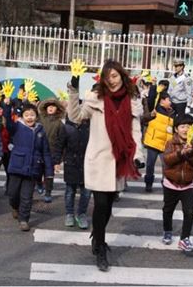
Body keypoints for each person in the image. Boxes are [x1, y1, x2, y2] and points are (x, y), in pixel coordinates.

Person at [67, 59, 144, 272]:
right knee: (100, 204)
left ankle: (97, 235)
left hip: (119, 161)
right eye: (107, 76)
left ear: (121, 75)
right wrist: (74, 88)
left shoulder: (131, 100)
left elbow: (135, 130)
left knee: (108, 206)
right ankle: (100, 246)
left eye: (115, 76)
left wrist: (138, 154)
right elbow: (75, 116)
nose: (111, 80)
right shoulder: (95, 97)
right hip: (99, 159)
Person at [2, 100, 53, 232]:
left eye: (32, 115)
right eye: (27, 115)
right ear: (22, 116)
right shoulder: (17, 127)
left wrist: (49, 172)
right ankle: (15, 207)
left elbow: (46, 152)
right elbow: (7, 123)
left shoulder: (41, 131)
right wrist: (7, 106)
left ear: (36, 116)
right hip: (16, 166)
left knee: (27, 197)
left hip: (33, 169)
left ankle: (24, 219)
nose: (29, 117)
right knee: (13, 194)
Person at [161, 114, 193, 255]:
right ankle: (167, 230)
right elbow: (167, 159)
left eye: (189, 127)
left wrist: (190, 153)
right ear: (176, 129)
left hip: (187, 185)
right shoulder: (170, 143)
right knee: (168, 210)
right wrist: (180, 153)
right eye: (183, 126)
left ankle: (184, 239)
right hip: (171, 184)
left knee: (190, 211)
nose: (186, 129)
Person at [52, 114, 91, 229]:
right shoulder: (66, 128)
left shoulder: (90, 127)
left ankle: (82, 214)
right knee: (70, 191)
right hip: (71, 163)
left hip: (87, 164)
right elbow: (59, 145)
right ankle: (69, 213)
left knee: (86, 192)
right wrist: (57, 162)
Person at [142, 92, 175, 192]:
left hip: (165, 143)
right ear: (162, 100)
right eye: (168, 100)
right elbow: (145, 117)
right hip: (153, 142)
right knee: (150, 164)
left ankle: (166, 183)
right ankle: (149, 183)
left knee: (166, 165)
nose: (170, 102)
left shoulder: (172, 113)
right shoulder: (155, 109)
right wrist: (153, 86)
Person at [37, 98, 66, 203]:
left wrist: (59, 160)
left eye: (53, 106)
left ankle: (48, 192)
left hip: (52, 153)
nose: (51, 108)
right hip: (39, 151)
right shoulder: (40, 119)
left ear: (57, 109)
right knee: (37, 172)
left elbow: (62, 142)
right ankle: (39, 184)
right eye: (49, 106)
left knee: (49, 174)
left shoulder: (60, 124)